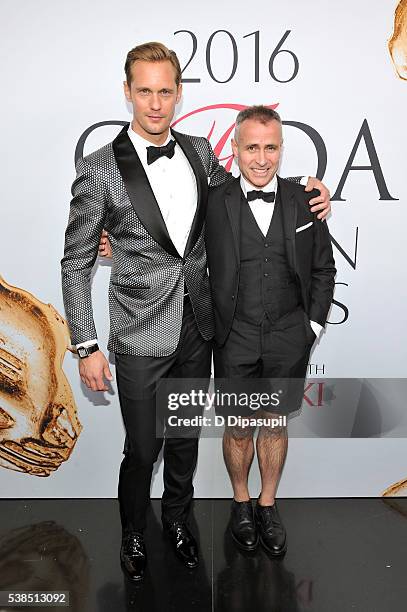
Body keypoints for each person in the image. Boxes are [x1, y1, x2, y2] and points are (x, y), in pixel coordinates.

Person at [61, 42, 331, 581]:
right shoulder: (97, 170)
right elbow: (75, 262)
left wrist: (314, 191)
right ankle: (135, 532)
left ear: (179, 95)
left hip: (199, 329)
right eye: (145, 91)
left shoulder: (200, 154)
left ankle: (179, 523)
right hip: (139, 334)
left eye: (166, 91)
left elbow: (251, 188)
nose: (156, 103)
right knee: (142, 449)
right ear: (127, 92)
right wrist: (86, 344)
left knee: (183, 441)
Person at [205, 105, 336, 555]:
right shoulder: (212, 200)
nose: (262, 158)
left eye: (271, 147)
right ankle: (240, 502)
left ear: (282, 148)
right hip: (234, 334)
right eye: (252, 147)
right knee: (240, 426)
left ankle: (267, 504)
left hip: (289, 334)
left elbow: (323, 267)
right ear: (235, 149)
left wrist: (312, 325)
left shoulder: (305, 199)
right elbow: (162, 239)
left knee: (275, 423)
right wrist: (109, 242)